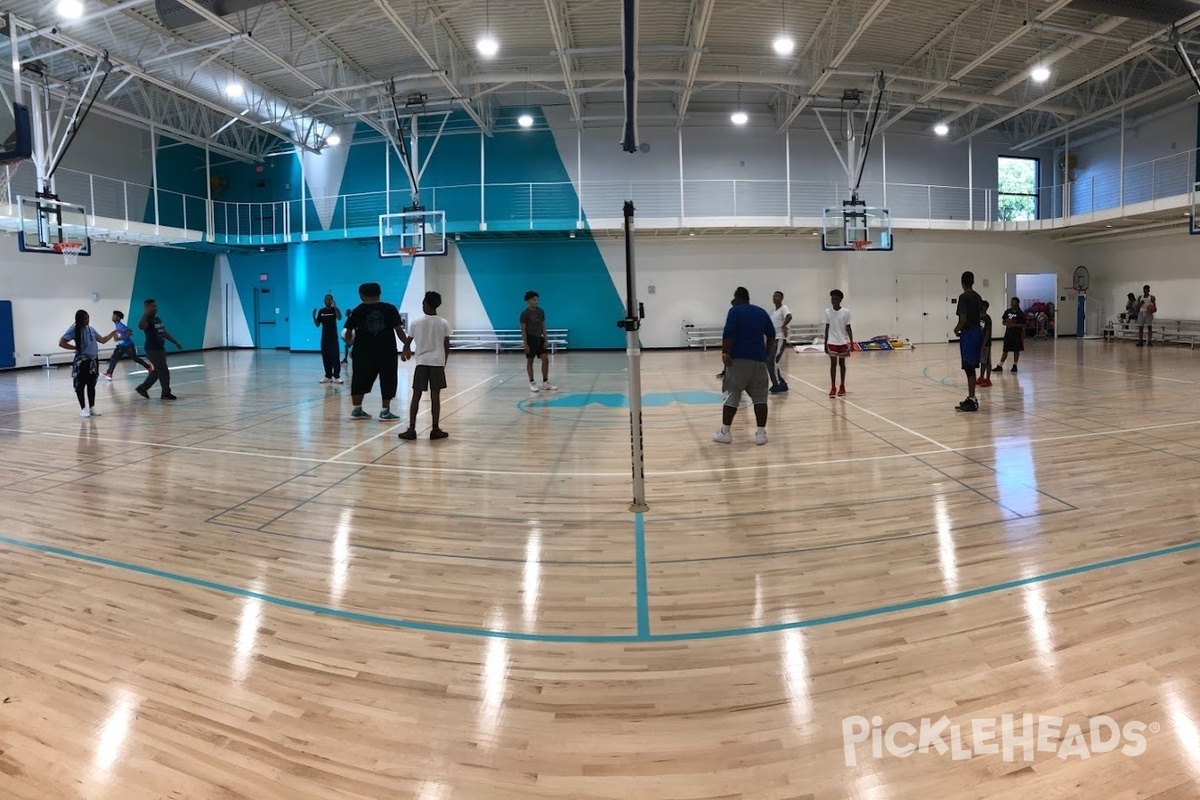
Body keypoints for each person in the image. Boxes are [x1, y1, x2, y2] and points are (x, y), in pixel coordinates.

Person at [713, 286, 775, 445]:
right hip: (759, 362)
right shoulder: (761, 312)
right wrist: (767, 354)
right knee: (760, 398)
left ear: (738, 298)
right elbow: (771, 334)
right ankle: (761, 434)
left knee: (731, 395)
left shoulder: (735, 311)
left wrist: (725, 352)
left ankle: (725, 432)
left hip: (738, 362)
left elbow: (728, 332)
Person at [343, 282, 406, 420]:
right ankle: (385, 411)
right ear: (380, 293)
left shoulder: (357, 310)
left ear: (361, 295)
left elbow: (348, 332)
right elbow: (399, 330)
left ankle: (357, 409)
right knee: (388, 378)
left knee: (359, 378)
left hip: (363, 351)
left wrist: (350, 343)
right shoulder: (390, 308)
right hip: (386, 350)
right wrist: (406, 346)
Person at [397, 291, 452, 441]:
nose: (422, 305)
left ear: (426, 304)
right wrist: (443, 361)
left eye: (423, 303)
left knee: (416, 396)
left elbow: (407, 342)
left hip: (421, 363)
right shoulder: (444, 323)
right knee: (435, 396)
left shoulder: (416, 322)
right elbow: (447, 345)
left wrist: (404, 352)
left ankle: (412, 429)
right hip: (437, 363)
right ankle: (435, 429)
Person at [59, 310, 115, 418]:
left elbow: (102, 340)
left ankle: (92, 407)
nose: (87, 320)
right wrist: (75, 347)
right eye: (85, 318)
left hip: (93, 361)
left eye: (88, 318)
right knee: (80, 385)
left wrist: (113, 333)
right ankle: (83, 409)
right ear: (79, 319)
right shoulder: (74, 329)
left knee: (91, 385)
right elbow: (62, 342)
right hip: (82, 361)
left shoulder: (91, 329)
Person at [135, 298, 183, 401]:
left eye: (155, 306)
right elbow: (140, 326)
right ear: (147, 308)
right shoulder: (147, 320)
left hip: (160, 348)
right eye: (152, 306)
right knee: (164, 371)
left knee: (158, 371)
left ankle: (143, 388)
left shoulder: (158, 320)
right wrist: (145, 313)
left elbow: (164, 333)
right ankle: (166, 393)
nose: (155, 308)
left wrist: (175, 342)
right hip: (152, 349)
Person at [954, 272, 983, 412]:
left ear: (962, 283)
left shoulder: (964, 297)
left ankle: (972, 399)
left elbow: (963, 319)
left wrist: (956, 329)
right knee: (970, 366)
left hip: (969, 333)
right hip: (977, 332)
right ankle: (972, 397)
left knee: (968, 366)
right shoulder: (978, 297)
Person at [520, 290, 556, 392]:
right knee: (530, 360)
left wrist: (545, 339)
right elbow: (523, 330)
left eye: (537, 300)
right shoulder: (524, 314)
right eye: (534, 300)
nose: (536, 302)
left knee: (545, 359)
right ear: (528, 300)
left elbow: (543, 326)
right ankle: (532, 383)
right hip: (530, 339)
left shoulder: (540, 311)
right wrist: (525, 344)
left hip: (539, 338)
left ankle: (545, 382)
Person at [103, 310, 152, 380]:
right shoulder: (117, 325)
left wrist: (120, 338)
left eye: (114, 316)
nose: (112, 317)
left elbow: (130, 333)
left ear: (118, 318)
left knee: (135, 358)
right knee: (114, 358)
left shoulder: (120, 325)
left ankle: (148, 367)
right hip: (121, 346)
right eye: (113, 316)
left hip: (128, 345)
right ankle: (109, 374)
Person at [824, 289, 854, 398]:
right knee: (833, 364)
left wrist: (851, 343)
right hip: (832, 341)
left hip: (843, 342)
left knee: (842, 364)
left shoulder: (846, 312)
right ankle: (833, 387)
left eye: (836, 299)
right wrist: (825, 343)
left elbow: (848, 327)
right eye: (832, 299)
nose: (834, 301)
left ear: (840, 300)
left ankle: (842, 386)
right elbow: (827, 328)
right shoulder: (827, 312)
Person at [313, 294, 343, 384]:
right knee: (325, 357)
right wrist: (313, 316)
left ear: (332, 301)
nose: (328, 301)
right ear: (324, 301)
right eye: (326, 300)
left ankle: (336, 376)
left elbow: (339, 317)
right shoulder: (321, 311)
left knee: (335, 357)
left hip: (333, 338)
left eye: (330, 300)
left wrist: (335, 307)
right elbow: (317, 324)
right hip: (324, 338)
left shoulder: (334, 310)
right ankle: (328, 376)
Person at [766, 291, 792, 393]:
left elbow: (789, 316)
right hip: (773, 339)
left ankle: (777, 384)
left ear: (781, 298)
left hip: (780, 338)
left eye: (777, 296)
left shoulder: (783, 308)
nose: (774, 297)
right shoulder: (772, 312)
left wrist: (783, 326)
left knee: (773, 360)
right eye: (773, 296)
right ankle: (780, 383)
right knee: (769, 361)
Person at [997, 296, 1026, 373]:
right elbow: (1003, 322)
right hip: (1008, 334)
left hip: (1016, 334)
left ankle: (1015, 365)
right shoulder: (1007, 312)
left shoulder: (1020, 313)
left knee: (1016, 350)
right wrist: (1006, 323)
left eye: (1013, 302)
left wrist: (1015, 325)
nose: (1011, 303)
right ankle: (1000, 365)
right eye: (1011, 301)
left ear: (1017, 303)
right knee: (1005, 350)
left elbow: (1024, 325)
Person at [977, 300, 994, 388]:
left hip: (986, 343)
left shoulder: (987, 318)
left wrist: (984, 344)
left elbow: (987, 332)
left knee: (987, 361)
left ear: (984, 307)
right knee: (982, 361)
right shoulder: (978, 317)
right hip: (979, 342)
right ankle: (981, 377)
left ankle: (988, 378)